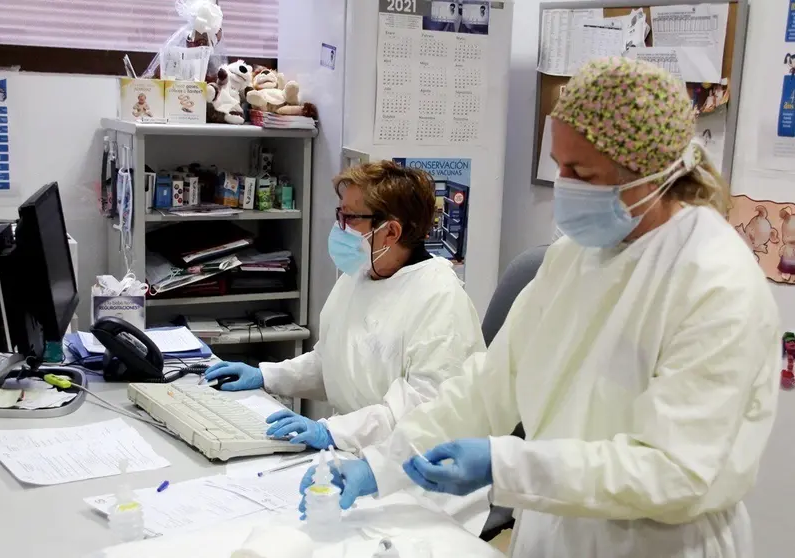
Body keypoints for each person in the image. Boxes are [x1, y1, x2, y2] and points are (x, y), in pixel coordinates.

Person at [300, 58, 780, 557]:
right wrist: (383, 463)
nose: (563, 186)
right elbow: (491, 381)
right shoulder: (576, 254)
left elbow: (673, 471)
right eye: (559, 165)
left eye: (581, 172)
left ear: (654, 175)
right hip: (553, 530)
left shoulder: (715, 283)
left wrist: (504, 465)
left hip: (658, 544)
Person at [205, 160, 491, 529]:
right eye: (339, 215)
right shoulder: (361, 275)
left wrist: (332, 430)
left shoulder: (439, 299)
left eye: (351, 219)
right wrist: (265, 375)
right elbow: (333, 361)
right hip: (353, 458)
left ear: (390, 231)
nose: (339, 229)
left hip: (420, 484)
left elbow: (421, 415)